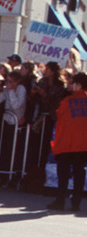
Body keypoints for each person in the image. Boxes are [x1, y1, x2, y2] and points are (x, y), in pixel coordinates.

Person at [48, 72, 87, 211]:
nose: (69, 85)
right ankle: (76, 202)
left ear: (78, 84)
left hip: (67, 143)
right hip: (83, 144)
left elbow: (56, 115)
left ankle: (60, 200)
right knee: (79, 172)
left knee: (63, 174)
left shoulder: (67, 101)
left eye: (72, 82)